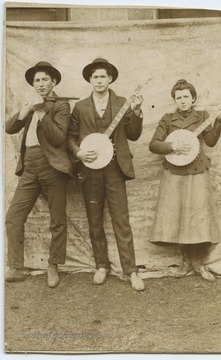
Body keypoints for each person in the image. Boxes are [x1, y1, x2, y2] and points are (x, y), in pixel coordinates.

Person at [67, 57, 145, 291]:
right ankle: (101, 265)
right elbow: (70, 136)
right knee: (95, 221)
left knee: (121, 220)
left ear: (110, 78)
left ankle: (130, 271)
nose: (99, 80)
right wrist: (79, 152)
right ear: (90, 80)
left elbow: (133, 135)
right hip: (90, 169)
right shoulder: (80, 106)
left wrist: (138, 111)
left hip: (114, 169)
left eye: (103, 76)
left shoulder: (122, 102)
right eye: (95, 77)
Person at [149, 79, 221, 281]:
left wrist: (219, 120)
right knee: (178, 216)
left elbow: (210, 141)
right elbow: (154, 145)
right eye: (179, 98)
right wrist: (173, 146)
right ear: (174, 100)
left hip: (197, 170)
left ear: (193, 98)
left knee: (199, 216)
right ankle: (185, 263)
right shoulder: (167, 119)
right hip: (174, 172)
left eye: (186, 97)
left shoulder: (203, 116)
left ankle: (199, 264)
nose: (183, 101)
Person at [5, 61, 73, 288]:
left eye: (45, 79)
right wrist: (25, 110)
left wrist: (41, 111)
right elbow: (9, 128)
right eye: (37, 80)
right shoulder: (32, 104)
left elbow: (58, 139)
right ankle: (16, 266)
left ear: (53, 82)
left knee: (57, 220)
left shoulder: (61, 106)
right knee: (13, 217)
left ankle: (53, 265)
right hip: (30, 165)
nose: (41, 83)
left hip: (52, 166)